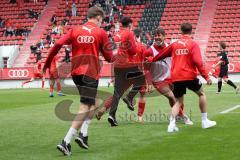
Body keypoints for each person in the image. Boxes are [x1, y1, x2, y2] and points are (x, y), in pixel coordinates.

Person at [42, 6, 113, 156]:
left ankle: (84, 135)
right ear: (99, 17)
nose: (103, 22)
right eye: (103, 20)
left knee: (91, 103)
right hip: (90, 73)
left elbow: (57, 44)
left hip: (76, 73)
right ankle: (66, 142)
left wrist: (47, 62)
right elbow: (108, 57)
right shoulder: (100, 33)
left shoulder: (75, 30)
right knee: (85, 107)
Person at [146, 23, 216, 132]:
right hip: (189, 76)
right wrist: (206, 77)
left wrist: (152, 60)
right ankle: (204, 121)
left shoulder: (174, 44)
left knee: (178, 102)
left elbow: (161, 55)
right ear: (191, 31)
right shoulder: (193, 44)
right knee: (201, 94)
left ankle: (171, 125)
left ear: (180, 31)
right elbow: (198, 62)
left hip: (176, 77)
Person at [124, 27, 193, 125]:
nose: (157, 37)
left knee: (177, 98)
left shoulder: (171, 47)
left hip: (172, 78)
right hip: (159, 80)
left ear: (164, 36)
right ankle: (184, 117)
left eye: (159, 35)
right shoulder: (149, 51)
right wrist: (150, 83)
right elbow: (146, 69)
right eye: (155, 35)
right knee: (171, 96)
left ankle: (177, 115)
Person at [107, 17, 145, 126]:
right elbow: (133, 51)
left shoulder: (117, 35)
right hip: (127, 64)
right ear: (129, 24)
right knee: (141, 79)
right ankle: (129, 97)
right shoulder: (129, 33)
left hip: (117, 65)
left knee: (117, 92)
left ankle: (112, 115)